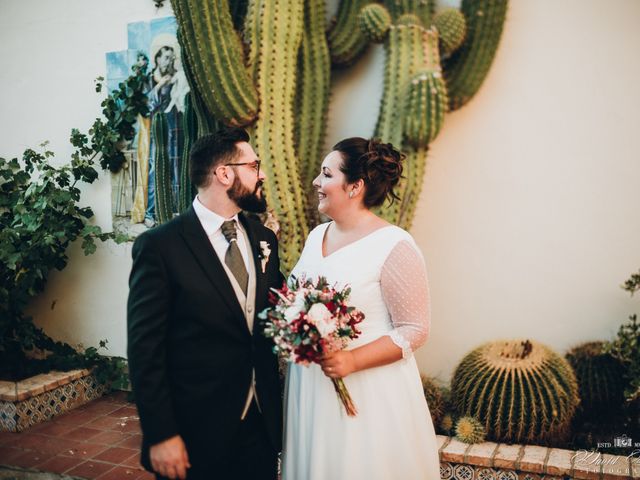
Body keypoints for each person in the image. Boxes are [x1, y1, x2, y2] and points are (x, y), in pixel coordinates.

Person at [127, 127, 283, 480]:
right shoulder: (160, 247)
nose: (261, 174)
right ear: (224, 174)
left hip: (260, 425)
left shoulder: (263, 238)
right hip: (194, 430)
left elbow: (272, 314)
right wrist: (161, 433)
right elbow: (144, 349)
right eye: (253, 165)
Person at [282, 137, 441, 479]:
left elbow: (415, 329)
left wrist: (351, 360)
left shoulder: (394, 245)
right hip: (312, 387)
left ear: (354, 186)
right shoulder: (316, 236)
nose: (316, 182)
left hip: (368, 391)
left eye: (326, 175)